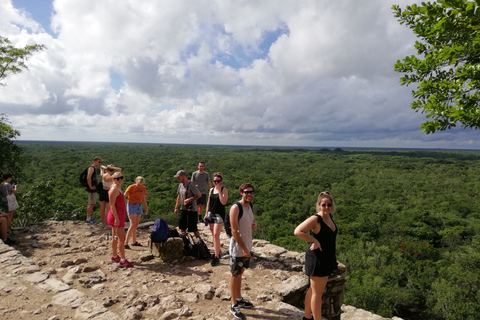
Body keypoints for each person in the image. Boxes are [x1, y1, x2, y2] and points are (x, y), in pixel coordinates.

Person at [294, 191, 338, 320]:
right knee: (317, 294)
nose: (326, 207)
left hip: (326, 258)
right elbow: (298, 231)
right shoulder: (316, 219)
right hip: (317, 259)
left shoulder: (328, 217)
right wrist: (315, 240)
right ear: (318, 205)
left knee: (313, 290)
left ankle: (307, 317)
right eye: (323, 205)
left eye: (329, 204)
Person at [229, 182, 257, 319]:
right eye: (246, 192)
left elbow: (246, 223)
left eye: (251, 192)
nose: (249, 194)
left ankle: (239, 298)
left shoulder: (249, 206)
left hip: (247, 246)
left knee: (240, 273)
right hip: (238, 248)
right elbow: (234, 231)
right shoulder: (236, 208)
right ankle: (233, 304)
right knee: (235, 274)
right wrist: (245, 249)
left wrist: (253, 225)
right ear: (241, 193)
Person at [107, 172, 133, 268]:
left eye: (121, 177)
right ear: (113, 179)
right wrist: (117, 219)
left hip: (118, 216)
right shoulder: (114, 190)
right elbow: (112, 205)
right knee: (121, 239)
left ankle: (115, 256)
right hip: (116, 217)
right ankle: (123, 260)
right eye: (117, 178)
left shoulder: (117, 188)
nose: (120, 179)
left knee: (115, 237)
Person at [205, 172, 228, 266]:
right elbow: (208, 202)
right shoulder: (211, 190)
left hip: (219, 215)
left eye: (218, 181)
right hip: (211, 213)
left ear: (221, 181)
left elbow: (223, 202)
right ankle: (216, 252)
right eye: (214, 181)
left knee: (215, 234)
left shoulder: (224, 190)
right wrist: (206, 214)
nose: (216, 183)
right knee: (213, 235)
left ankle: (217, 256)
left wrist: (219, 191)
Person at [174, 170, 201, 237]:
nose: (178, 179)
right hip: (183, 209)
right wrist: (176, 207)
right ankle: (184, 242)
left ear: (183, 176)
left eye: (179, 177)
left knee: (193, 228)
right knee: (182, 227)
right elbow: (179, 196)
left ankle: (199, 242)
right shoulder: (180, 185)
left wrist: (190, 199)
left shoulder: (191, 185)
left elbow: (199, 195)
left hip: (192, 210)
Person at [124, 176, 148, 248]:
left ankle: (134, 241)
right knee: (132, 224)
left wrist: (146, 207)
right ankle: (126, 242)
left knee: (136, 225)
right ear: (136, 182)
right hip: (131, 205)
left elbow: (144, 198)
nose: (140, 186)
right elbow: (124, 196)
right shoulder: (131, 187)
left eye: (141, 185)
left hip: (139, 205)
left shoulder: (143, 188)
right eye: (139, 185)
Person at [85, 156, 103, 224]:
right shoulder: (91, 168)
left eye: (101, 162)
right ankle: (88, 219)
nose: (100, 163)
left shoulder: (93, 168)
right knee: (91, 203)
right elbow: (88, 178)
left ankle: (89, 218)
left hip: (93, 188)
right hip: (92, 189)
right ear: (95, 161)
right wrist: (91, 187)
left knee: (92, 203)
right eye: (99, 162)